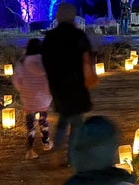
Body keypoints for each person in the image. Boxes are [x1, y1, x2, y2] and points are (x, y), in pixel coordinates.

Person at [42, 3, 97, 166]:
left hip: (58, 85)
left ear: (58, 16)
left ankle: (58, 151)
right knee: (76, 123)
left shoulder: (51, 37)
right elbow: (88, 59)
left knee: (64, 118)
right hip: (77, 85)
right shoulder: (78, 36)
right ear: (72, 16)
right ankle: (71, 157)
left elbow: (46, 61)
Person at [11, 38, 54, 159]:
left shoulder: (23, 62)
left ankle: (29, 150)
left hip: (28, 97)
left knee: (30, 124)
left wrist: (22, 89)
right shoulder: (45, 61)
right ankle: (46, 143)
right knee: (43, 120)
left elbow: (16, 79)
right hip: (43, 97)